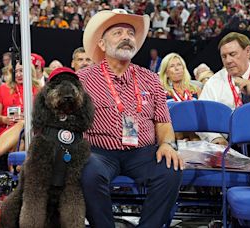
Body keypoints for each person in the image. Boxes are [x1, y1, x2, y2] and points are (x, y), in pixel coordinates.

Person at [78, 9, 183, 227]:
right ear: (102, 44)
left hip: (142, 152)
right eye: (117, 33)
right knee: (87, 170)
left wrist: (167, 144)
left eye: (130, 33)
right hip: (99, 153)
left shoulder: (151, 79)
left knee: (171, 168)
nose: (126, 37)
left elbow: (163, 122)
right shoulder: (83, 79)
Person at [198, 32, 250, 158]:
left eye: (232, 54)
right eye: (224, 56)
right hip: (233, 145)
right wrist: (215, 138)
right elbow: (202, 115)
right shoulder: (214, 82)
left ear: (247, 51)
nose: (228, 60)